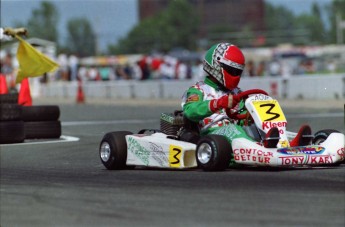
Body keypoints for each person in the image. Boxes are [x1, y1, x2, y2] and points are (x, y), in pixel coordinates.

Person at [181, 42, 312, 148]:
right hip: (213, 133)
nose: (236, 75)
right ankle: (263, 148)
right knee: (233, 130)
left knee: (258, 126)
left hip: (237, 131)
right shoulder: (198, 90)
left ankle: (288, 144)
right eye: (232, 71)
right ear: (216, 66)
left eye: (238, 72)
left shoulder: (237, 92)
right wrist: (218, 103)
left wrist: (249, 117)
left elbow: (242, 115)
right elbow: (190, 111)